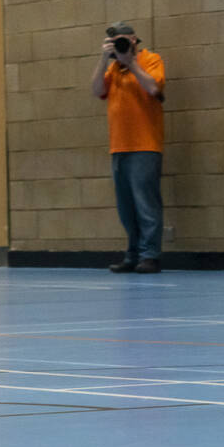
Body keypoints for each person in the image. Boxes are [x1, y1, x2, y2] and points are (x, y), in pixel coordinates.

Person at [90, 21, 166, 274]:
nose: (122, 46)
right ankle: (133, 254)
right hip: (118, 146)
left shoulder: (150, 59)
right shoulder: (113, 68)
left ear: (135, 40)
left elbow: (154, 87)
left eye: (125, 40)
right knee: (126, 207)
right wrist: (104, 59)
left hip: (145, 145)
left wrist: (131, 62)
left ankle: (150, 255)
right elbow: (96, 90)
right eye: (116, 42)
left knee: (146, 203)